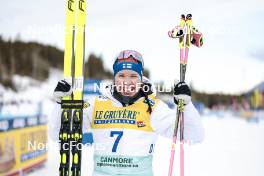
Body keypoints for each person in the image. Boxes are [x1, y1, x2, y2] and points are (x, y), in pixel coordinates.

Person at [51, 50, 204, 176]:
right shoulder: (96, 104)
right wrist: (60, 104)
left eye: (133, 76)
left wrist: (187, 105)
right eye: (121, 75)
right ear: (114, 78)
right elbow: (58, 133)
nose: (127, 82)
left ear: (141, 79)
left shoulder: (153, 107)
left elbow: (194, 136)